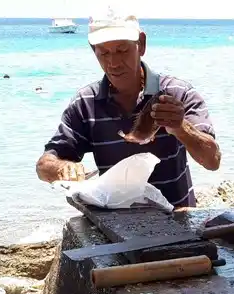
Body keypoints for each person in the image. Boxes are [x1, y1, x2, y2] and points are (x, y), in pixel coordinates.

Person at [36, 5, 220, 208]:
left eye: (122, 50)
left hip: (177, 217)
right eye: (104, 53)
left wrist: (181, 128)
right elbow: (44, 165)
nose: (113, 62)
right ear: (93, 51)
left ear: (141, 44)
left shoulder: (178, 93)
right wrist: (62, 168)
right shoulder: (85, 104)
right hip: (114, 220)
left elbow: (212, 161)